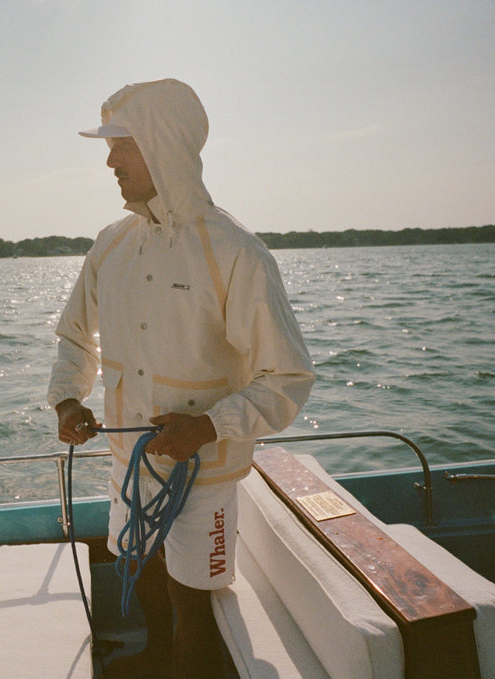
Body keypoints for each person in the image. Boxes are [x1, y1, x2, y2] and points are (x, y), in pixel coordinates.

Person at [48, 78, 315, 679]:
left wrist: (209, 426)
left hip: (207, 472)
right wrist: (68, 398)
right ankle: (157, 657)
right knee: (135, 563)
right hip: (127, 462)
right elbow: (74, 337)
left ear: (161, 144)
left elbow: (288, 376)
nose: (109, 160)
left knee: (193, 597)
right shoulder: (109, 246)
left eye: (122, 144)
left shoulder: (236, 252)